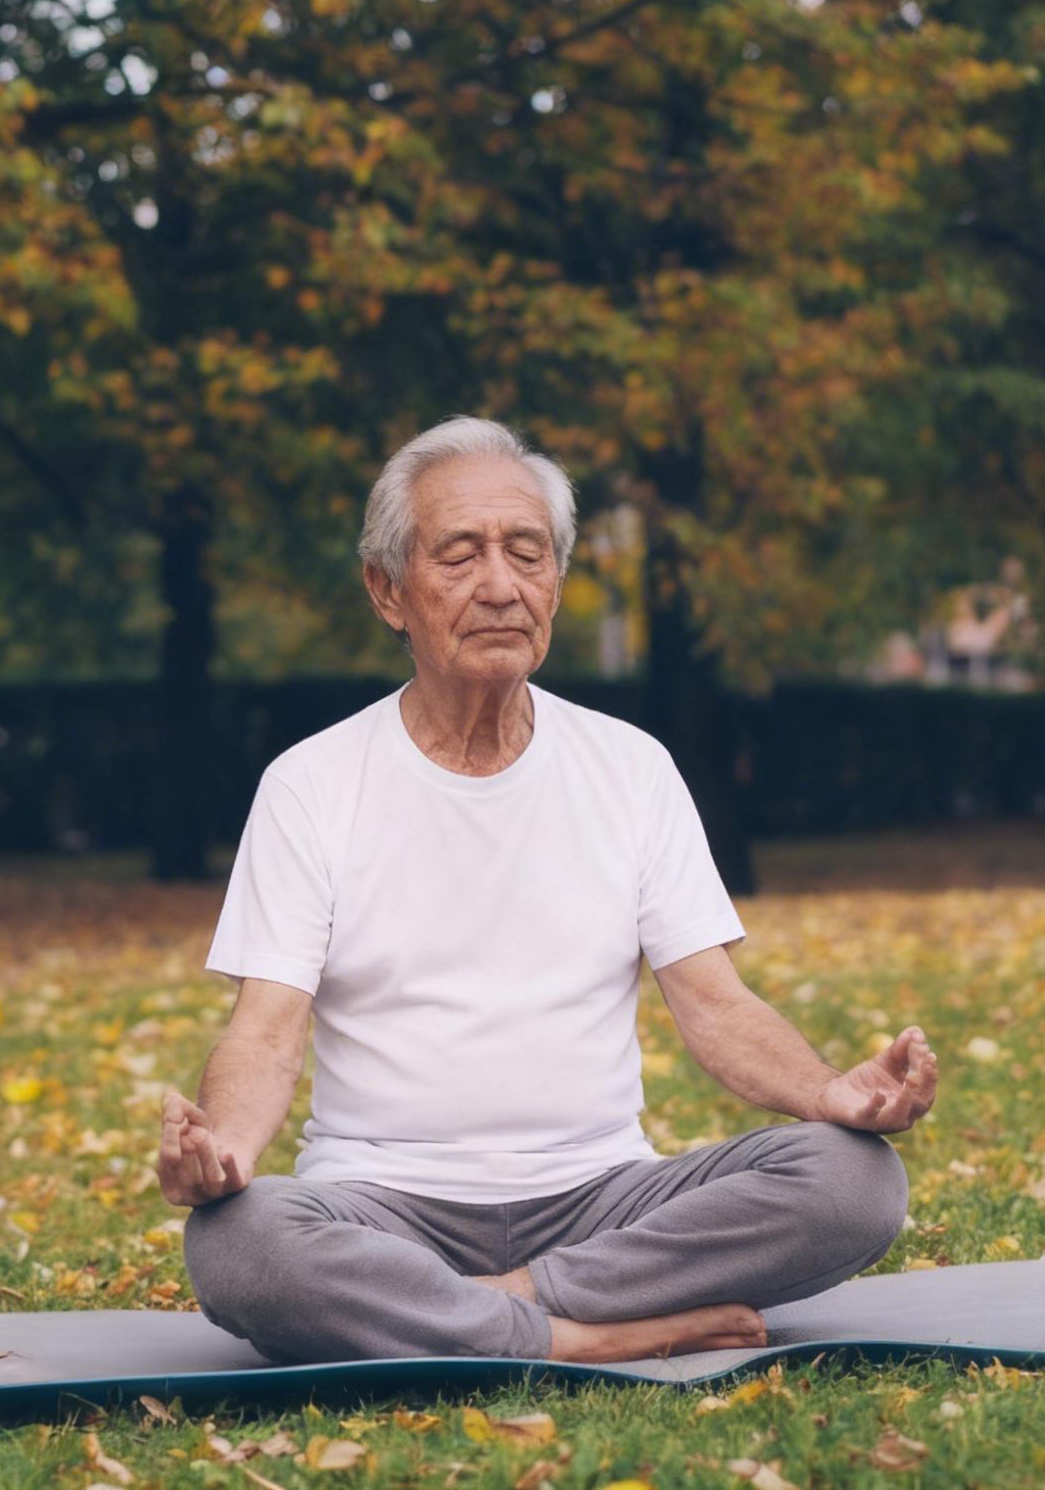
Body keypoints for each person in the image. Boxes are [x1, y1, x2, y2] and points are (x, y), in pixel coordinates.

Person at [162, 415, 939, 1366]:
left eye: (527, 554)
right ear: (387, 590)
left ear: (556, 585)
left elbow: (716, 1006)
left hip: (604, 1200)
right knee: (241, 1242)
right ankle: (580, 1335)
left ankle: (492, 1312)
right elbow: (266, 1026)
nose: (500, 585)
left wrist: (831, 1092)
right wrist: (229, 1153)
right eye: (460, 555)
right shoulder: (310, 782)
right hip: (382, 1203)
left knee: (854, 1180)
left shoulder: (632, 766)